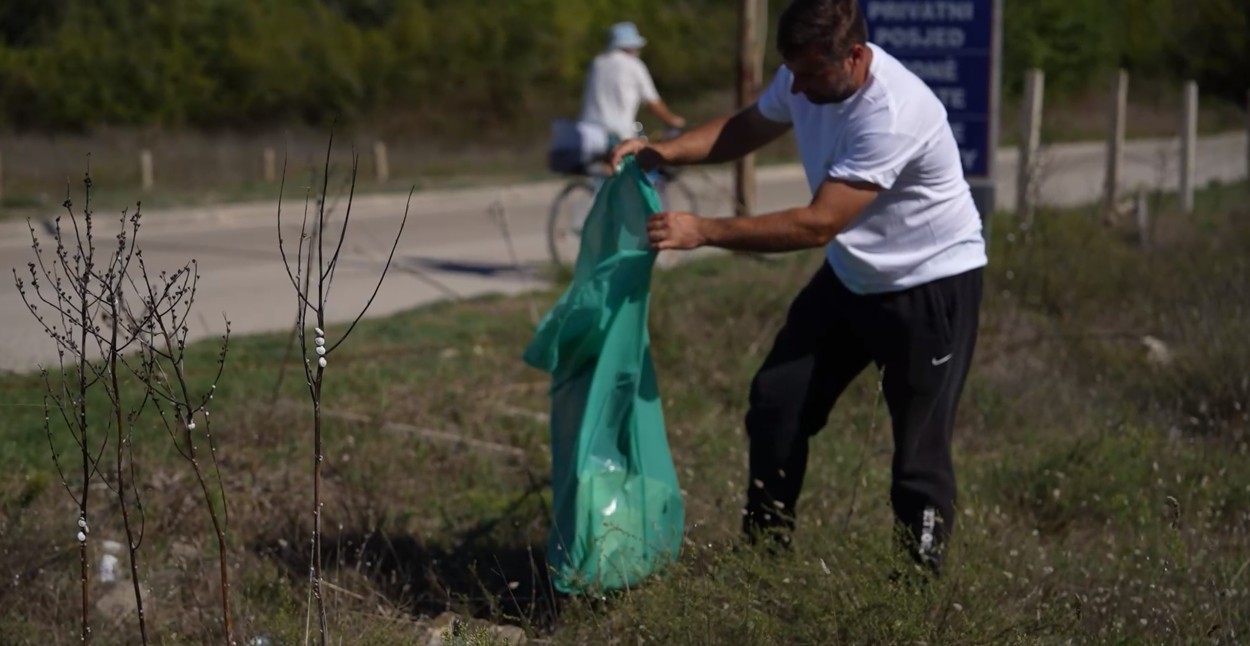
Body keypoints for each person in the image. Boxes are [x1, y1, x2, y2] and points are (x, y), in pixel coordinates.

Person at [609, 0, 987, 577]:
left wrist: (704, 230)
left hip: (929, 283)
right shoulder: (803, 76)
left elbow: (817, 223)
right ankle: (764, 558)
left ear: (855, 56)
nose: (801, 90)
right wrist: (663, 150)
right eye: (794, 74)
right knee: (776, 404)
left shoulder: (891, 112)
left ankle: (914, 592)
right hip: (853, 273)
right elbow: (748, 125)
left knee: (917, 451)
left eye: (813, 74)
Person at [579, 21, 686, 151]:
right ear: (631, 46)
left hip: (586, 137)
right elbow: (652, 102)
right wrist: (672, 120)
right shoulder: (634, 65)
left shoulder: (596, 63)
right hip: (618, 136)